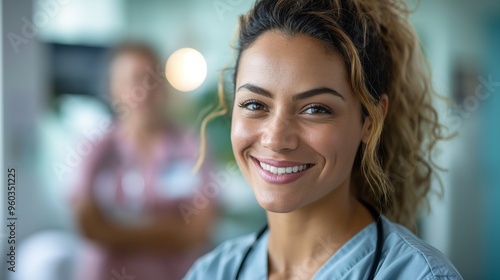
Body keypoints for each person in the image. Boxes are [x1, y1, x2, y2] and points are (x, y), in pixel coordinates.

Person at [185, 0, 463, 279]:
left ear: (369, 121)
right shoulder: (211, 272)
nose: (276, 139)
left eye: (316, 109)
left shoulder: (420, 275)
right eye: (255, 105)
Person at [70, 42, 217, 280]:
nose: (145, 90)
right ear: (113, 87)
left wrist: (114, 231)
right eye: (133, 79)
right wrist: (169, 229)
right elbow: (87, 226)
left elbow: (198, 230)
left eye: (152, 79)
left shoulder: (192, 146)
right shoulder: (94, 148)